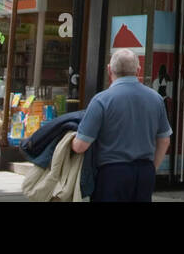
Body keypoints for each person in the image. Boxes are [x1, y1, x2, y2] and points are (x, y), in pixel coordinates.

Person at [71, 49, 172, 202]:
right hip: (145, 173)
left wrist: (68, 141)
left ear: (109, 69)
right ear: (138, 70)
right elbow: (164, 140)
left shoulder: (101, 100)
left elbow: (80, 146)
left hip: (111, 174)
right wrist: (152, 168)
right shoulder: (156, 99)